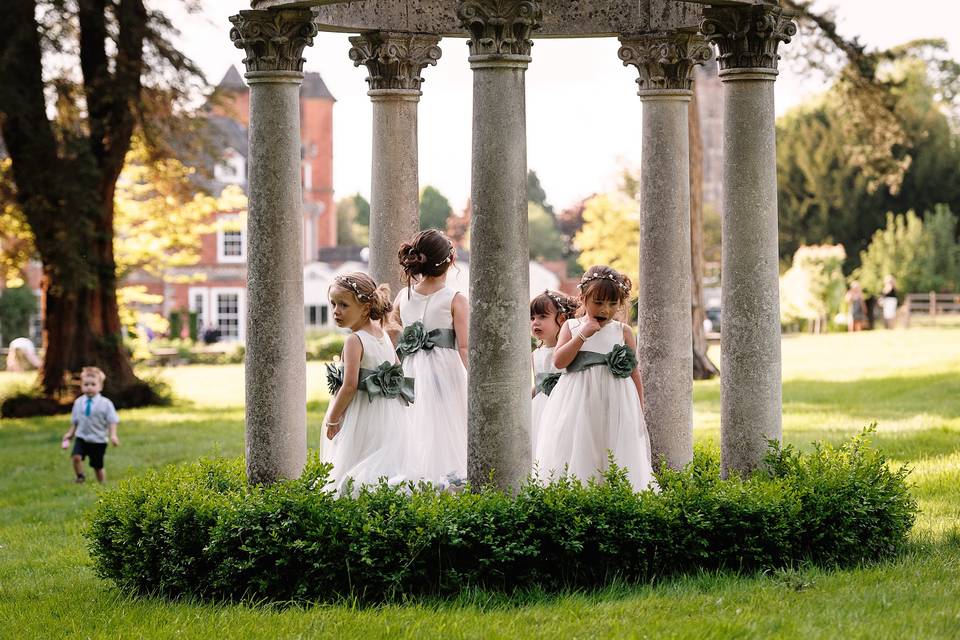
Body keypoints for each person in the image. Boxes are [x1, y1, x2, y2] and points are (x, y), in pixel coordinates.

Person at [534, 265, 655, 492]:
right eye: (598, 302)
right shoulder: (571, 326)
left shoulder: (623, 331)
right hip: (579, 400)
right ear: (583, 298)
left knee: (611, 446)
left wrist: (638, 408)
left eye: (612, 304)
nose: (605, 310)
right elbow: (559, 362)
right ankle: (579, 492)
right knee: (581, 444)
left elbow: (634, 372)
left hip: (614, 400)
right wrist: (583, 334)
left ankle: (614, 493)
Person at [322, 273, 416, 494]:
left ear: (365, 308)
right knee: (377, 461)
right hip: (385, 414)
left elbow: (349, 385)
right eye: (333, 304)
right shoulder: (382, 335)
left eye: (343, 305)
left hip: (360, 412)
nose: (336, 311)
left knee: (355, 459)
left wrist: (332, 418)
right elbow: (397, 368)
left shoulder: (354, 340)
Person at [391, 229, 469, 487]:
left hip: (412, 368)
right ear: (450, 261)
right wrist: (472, 380)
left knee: (417, 421)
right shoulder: (456, 299)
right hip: (446, 370)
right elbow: (465, 346)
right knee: (448, 421)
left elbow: (393, 329)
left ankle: (420, 474)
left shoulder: (404, 296)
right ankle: (447, 476)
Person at [529, 289, 577, 463]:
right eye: (532, 318)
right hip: (539, 409)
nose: (536, 323)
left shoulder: (569, 351)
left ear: (562, 319)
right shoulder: (536, 354)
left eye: (542, 317)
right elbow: (538, 384)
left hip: (562, 405)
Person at [61, 366, 119, 483]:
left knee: (97, 466)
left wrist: (113, 435)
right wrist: (70, 434)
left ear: (100, 386)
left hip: (98, 440)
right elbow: (76, 421)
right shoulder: (78, 403)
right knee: (76, 457)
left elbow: (112, 420)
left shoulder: (106, 404)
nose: (89, 387)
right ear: (82, 386)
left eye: (93, 384)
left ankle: (102, 484)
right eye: (86, 384)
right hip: (82, 437)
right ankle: (80, 477)